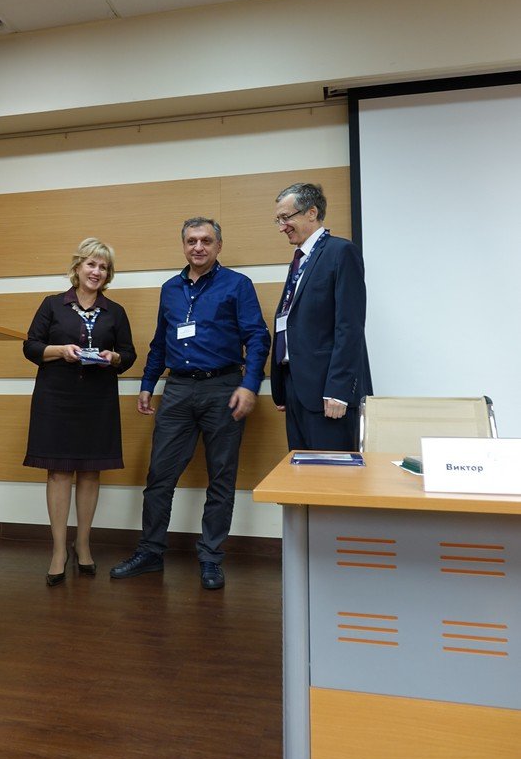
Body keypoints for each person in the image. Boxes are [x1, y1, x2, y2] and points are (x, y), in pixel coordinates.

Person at [110, 217, 271, 591]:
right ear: (183, 245)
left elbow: (257, 338)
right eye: (192, 241)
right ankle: (150, 552)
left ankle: (211, 558)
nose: (198, 247)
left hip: (224, 388)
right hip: (178, 390)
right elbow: (160, 342)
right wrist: (148, 384)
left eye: (206, 241)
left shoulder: (238, 285)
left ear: (218, 246)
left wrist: (250, 385)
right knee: (159, 476)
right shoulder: (170, 289)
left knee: (221, 478)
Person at [23, 238, 136, 586]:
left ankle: (83, 545)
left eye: (103, 267)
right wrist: (61, 350)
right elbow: (31, 346)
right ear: (77, 267)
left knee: (90, 473)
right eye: (91, 264)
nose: (96, 271)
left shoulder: (115, 311)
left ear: (108, 274)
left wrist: (113, 358)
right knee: (58, 472)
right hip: (56, 398)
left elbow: (128, 355)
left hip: (97, 401)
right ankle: (59, 550)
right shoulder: (52, 305)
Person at [270, 182, 372, 452]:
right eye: (278, 220)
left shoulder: (341, 252)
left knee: (331, 473)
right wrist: (283, 386)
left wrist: (339, 390)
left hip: (329, 391)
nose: (281, 227)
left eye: (286, 218)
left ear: (312, 212)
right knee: (302, 471)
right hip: (297, 387)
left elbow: (349, 326)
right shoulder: (300, 260)